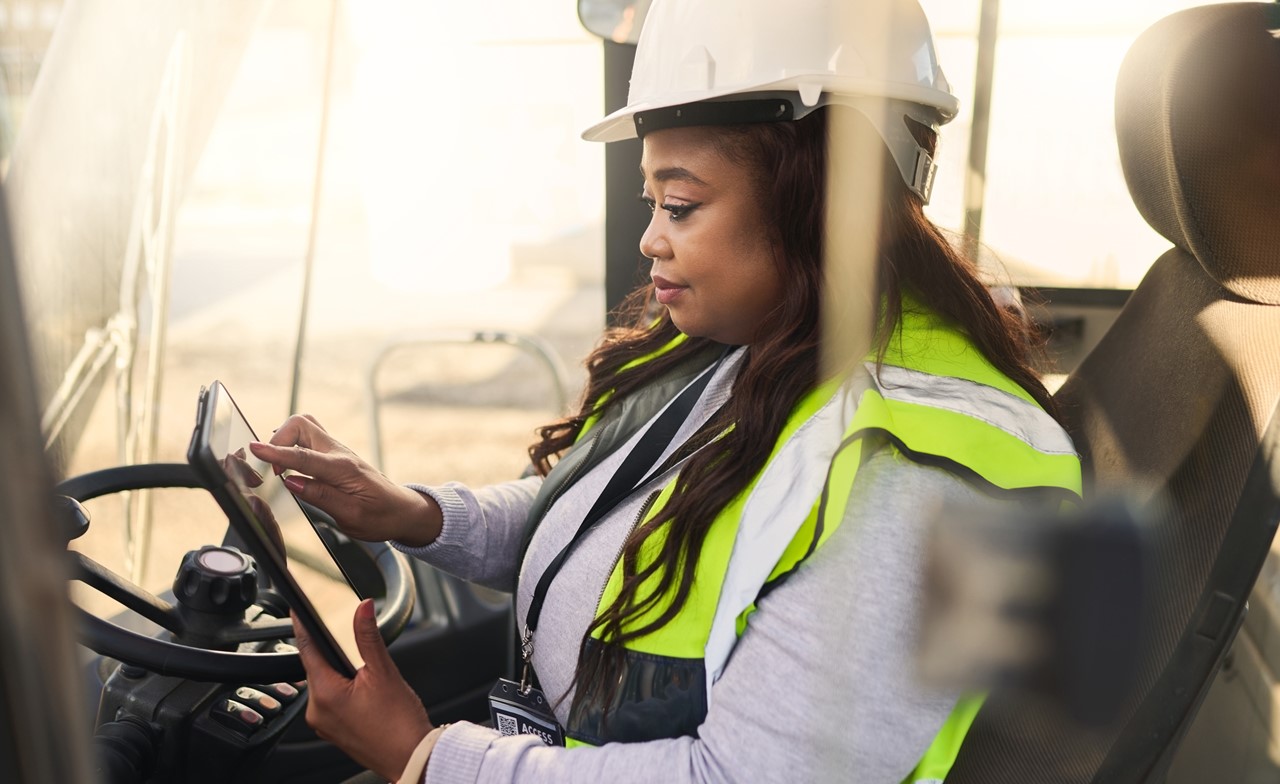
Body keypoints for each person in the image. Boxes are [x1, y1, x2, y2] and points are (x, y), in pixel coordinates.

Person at [250, 0, 1083, 781]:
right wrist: (419, 515)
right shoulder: (769, 341)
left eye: (681, 204)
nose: (650, 237)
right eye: (651, 201)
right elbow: (610, 530)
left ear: (829, 201)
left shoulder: (915, 482)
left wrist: (426, 758)